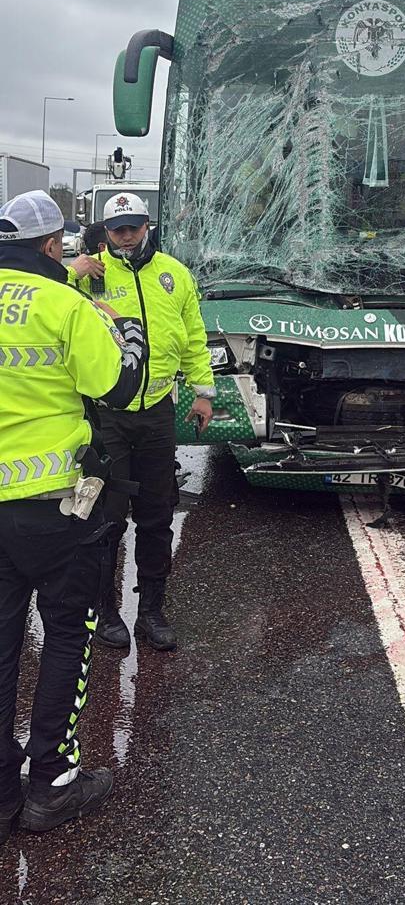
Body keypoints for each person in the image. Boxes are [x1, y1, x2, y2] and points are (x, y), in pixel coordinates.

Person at [0, 190, 146, 839]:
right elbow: (116, 386)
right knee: (65, 633)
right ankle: (52, 782)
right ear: (54, 245)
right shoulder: (65, 303)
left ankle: (2, 789)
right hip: (58, 503)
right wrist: (132, 341)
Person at [68, 192, 215, 652]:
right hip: (107, 417)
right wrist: (71, 274)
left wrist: (203, 392)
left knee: (155, 516)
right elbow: (54, 311)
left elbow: (193, 337)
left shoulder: (175, 274)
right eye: (117, 229)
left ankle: (152, 608)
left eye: (133, 226)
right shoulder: (90, 273)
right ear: (106, 233)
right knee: (106, 519)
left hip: (157, 413)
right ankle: (107, 611)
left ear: (146, 225)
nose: (126, 235)